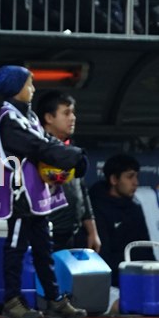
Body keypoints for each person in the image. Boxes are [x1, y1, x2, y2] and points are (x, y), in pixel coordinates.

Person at [0, 65, 88, 318]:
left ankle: (54, 299)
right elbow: (37, 146)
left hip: (36, 195)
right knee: (16, 248)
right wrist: (72, 155)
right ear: (15, 88)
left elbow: (47, 141)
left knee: (44, 249)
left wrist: (72, 155)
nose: (32, 89)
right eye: (28, 84)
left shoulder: (29, 116)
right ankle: (11, 301)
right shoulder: (8, 118)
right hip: (19, 195)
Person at [36, 90, 101, 252]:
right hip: (45, 235)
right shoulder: (36, 149)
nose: (73, 118)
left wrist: (92, 232)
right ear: (49, 117)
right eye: (66, 113)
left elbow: (82, 191)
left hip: (73, 235)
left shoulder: (71, 150)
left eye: (73, 113)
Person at [89, 154, 154, 287]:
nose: (136, 182)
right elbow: (102, 259)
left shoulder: (135, 208)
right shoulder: (95, 210)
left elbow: (146, 250)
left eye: (136, 176)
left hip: (140, 279)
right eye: (130, 177)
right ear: (114, 179)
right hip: (110, 283)